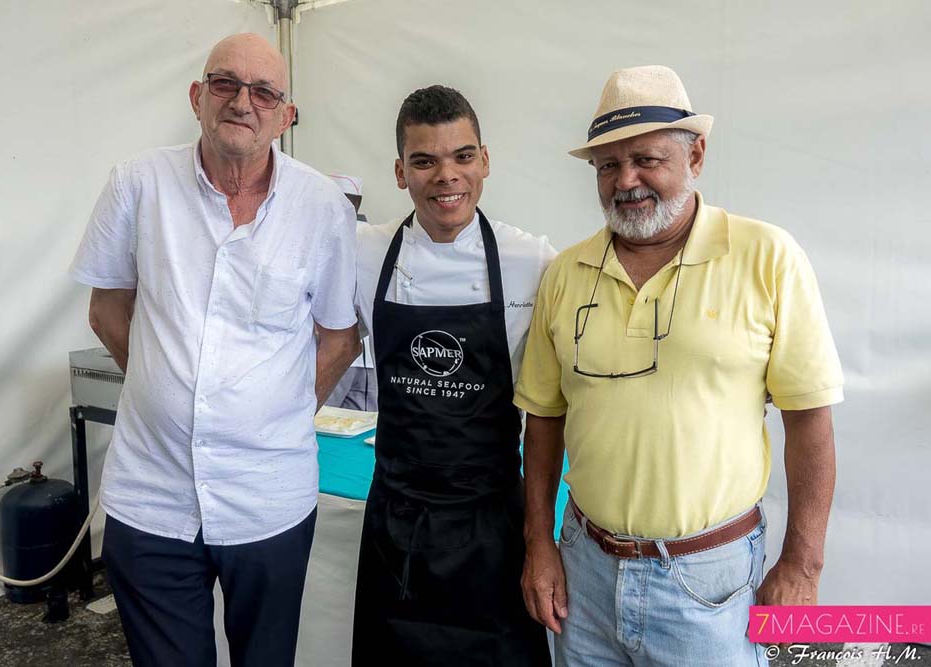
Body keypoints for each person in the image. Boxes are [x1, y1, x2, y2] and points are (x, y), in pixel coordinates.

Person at [517, 65, 843, 666]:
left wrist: (803, 563)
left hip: (708, 582)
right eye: (608, 166)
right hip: (584, 571)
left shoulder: (765, 256)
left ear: (696, 153)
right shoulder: (566, 272)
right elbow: (542, 420)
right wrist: (539, 544)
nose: (627, 180)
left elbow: (809, 418)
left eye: (646, 159)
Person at [70, 33, 359, 667]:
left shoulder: (322, 208)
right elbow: (106, 310)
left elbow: (340, 336)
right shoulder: (137, 184)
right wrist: (163, 385)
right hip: (151, 497)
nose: (242, 102)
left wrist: (283, 405)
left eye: (265, 92)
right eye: (225, 84)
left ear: (286, 116)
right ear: (198, 96)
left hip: (269, 498)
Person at [351, 85, 556, 666]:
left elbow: (553, 398)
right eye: (425, 160)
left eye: (462, 156)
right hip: (397, 520)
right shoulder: (364, 253)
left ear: (484, 161)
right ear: (400, 172)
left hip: (491, 523)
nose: (447, 175)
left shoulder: (532, 262)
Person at [325, 174, 377, 411]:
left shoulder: (334, 237)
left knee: (320, 422)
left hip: (334, 352)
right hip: (370, 357)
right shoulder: (376, 240)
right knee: (364, 427)